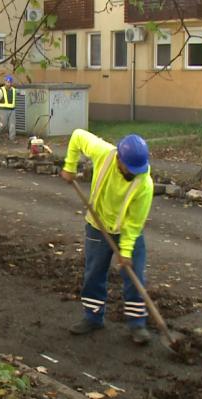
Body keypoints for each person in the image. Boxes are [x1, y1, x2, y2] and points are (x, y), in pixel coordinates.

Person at [59, 129, 155, 345]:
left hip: (127, 233)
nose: (133, 173)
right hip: (97, 226)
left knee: (134, 276)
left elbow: (134, 223)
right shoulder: (103, 153)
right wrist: (70, 166)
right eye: (129, 168)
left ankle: (137, 324)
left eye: (136, 169)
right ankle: (93, 317)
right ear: (119, 158)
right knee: (94, 272)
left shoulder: (144, 184)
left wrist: (126, 251)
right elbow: (76, 136)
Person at [0, 75, 16, 142]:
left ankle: (12, 138)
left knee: (12, 125)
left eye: (10, 82)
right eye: (7, 82)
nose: (8, 83)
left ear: (12, 83)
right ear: (5, 82)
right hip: (3, 110)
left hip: (12, 110)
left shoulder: (14, 90)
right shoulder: (1, 90)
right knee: (3, 124)